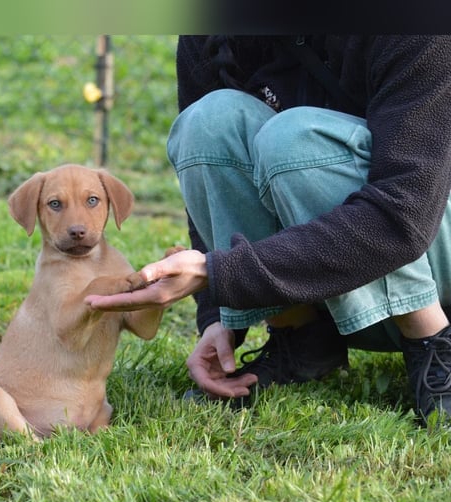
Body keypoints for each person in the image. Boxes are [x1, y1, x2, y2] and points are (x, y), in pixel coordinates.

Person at [85, 35, 451, 426]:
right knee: (207, 122)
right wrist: (217, 318)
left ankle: (433, 346)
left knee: (294, 139)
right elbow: (209, 179)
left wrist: (219, 272)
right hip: (326, 286)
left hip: (431, 258)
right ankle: (300, 338)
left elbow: (402, 217)